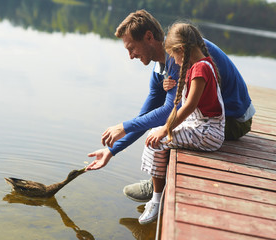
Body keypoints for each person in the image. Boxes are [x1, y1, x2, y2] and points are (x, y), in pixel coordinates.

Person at [86, 9, 254, 206]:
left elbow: (168, 112)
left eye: (132, 48)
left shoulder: (180, 54)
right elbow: (146, 115)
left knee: (165, 131)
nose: (131, 56)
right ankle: (158, 183)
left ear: (149, 37)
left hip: (234, 120)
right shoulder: (162, 65)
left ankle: (157, 185)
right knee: (157, 125)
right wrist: (111, 151)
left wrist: (123, 126)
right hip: (209, 116)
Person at [139, 22, 225, 224]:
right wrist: (173, 85)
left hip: (208, 132)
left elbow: (188, 106)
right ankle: (156, 191)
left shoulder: (199, 69)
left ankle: (156, 199)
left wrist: (165, 129)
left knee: (156, 140)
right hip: (207, 129)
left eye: (174, 56)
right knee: (156, 134)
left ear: (182, 50)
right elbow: (192, 96)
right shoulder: (203, 65)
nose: (175, 62)